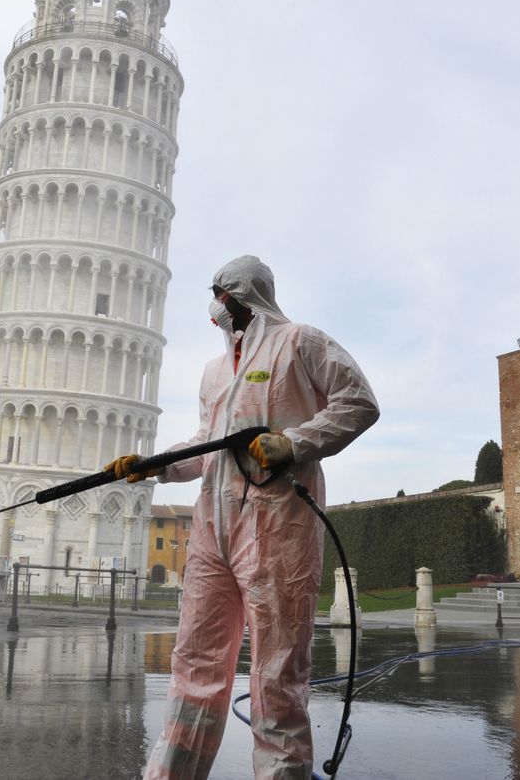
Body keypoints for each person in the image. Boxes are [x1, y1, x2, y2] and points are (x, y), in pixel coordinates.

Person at [105, 256, 379, 780]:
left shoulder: (300, 342)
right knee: (194, 663)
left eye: (219, 296)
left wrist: (294, 442)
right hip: (213, 529)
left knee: (276, 671)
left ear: (240, 295)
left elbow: (359, 402)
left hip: (279, 525)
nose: (215, 309)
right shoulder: (214, 372)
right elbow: (209, 449)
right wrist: (152, 465)